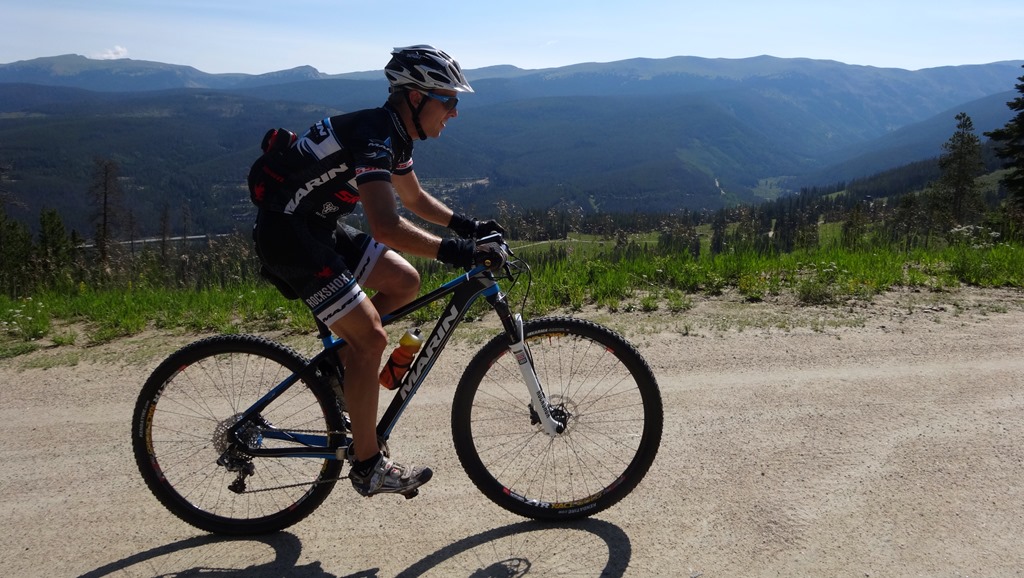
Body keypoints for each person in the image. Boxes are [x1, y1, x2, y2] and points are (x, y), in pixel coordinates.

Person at [247, 45, 505, 497]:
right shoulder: (374, 135)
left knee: (404, 281)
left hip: (317, 227)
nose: (455, 112)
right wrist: (460, 252)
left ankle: (340, 369)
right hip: (288, 235)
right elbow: (385, 225)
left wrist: (470, 226)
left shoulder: (393, 133)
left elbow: (415, 199)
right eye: (449, 100)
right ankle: (368, 466)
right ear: (416, 98)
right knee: (371, 337)